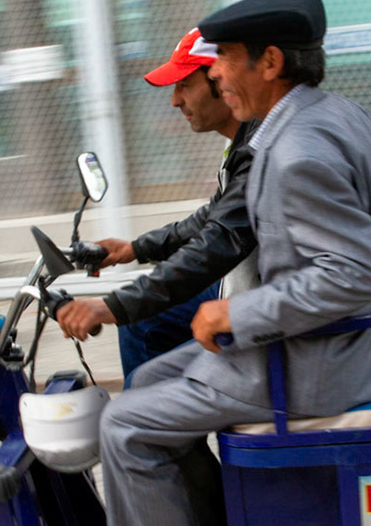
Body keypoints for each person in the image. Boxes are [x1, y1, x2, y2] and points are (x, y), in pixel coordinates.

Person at [94, 0, 371, 526]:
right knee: (149, 380)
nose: (213, 74)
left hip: (306, 366)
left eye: (223, 60)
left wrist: (239, 315)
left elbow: (354, 273)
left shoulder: (293, 152)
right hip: (328, 347)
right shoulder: (338, 115)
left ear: (269, 62)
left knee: (124, 425)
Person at [53, 27, 257, 379]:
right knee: (141, 320)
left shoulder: (256, 149)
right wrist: (133, 249)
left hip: (252, 297)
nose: (175, 100)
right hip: (243, 281)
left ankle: (149, 424)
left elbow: (213, 247)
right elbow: (212, 218)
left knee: (142, 377)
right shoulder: (242, 143)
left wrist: (110, 306)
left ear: (220, 79)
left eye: (184, 85)